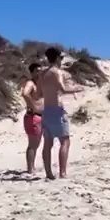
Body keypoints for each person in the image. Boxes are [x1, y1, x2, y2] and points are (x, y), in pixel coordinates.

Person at [39, 47, 83, 179]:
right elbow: (62, 89)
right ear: (57, 58)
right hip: (57, 111)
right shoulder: (56, 72)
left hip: (46, 110)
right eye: (62, 58)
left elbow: (38, 93)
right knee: (65, 141)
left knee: (48, 143)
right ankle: (62, 172)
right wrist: (77, 89)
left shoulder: (42, 73)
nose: (62, 60)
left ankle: (48, 173)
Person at [21, 63, 43, 174]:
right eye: (37, 71)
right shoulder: (31, 83)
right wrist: (34, 107)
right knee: (33, 144)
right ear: (32, 72)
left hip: (39, 117)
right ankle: (30, 169)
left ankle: (32, 167)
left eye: (41, 70)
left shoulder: (39, 84)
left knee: (36, 144)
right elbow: (25, 94)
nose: (40, 73)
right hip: (33, 116)